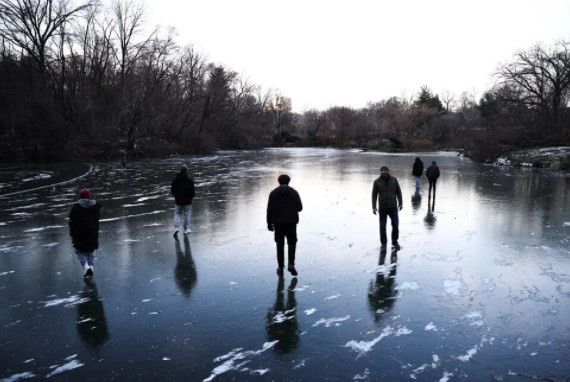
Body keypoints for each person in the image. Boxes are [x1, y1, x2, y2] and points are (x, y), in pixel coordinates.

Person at [267, 174, 303, 277]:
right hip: (291, 223)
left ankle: (280, 267)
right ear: (288, 181)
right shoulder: (294, 192)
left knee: (280, 245)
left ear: (278, 181)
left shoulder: (273, 193)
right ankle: (291, 264)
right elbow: (300, 208)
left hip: (278, 224)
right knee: (292, 244)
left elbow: (269, 210)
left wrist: (269, 223)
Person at [69, 188, 102, 278]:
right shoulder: (95, 207)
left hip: (79, 234)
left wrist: (72, 233)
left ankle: (86, 267)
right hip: (92, 234)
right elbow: (97, 219)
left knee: (80, 252)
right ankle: (91, 267)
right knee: (90, 252)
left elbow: (71, 219)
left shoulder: (76, 207)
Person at [372, 166, 403, 249]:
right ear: (380, 172)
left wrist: (400, 203)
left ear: (388, 171)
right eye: (382, 171)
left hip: (393, 206)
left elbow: (398, 192)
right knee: (382, 226)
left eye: (385, 171)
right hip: (382, 207)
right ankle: (383, 244)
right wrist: (374, 207)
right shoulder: (377, 182)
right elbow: (374, 195)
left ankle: (395, 241)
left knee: (395, 225)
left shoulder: (394, 180)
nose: (384, 172)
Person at [171, 165, 195, 238]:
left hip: (178, 200)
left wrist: (176, 196)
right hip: (187, 201)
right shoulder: (190, 181)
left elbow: (172, 191)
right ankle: (185, 229)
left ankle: (176, 228)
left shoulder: (175, 180)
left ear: (180, 170)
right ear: (186, 171)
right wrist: (190, 198)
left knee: (177, 213)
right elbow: (192, 192)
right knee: (186, 214)